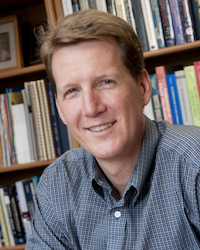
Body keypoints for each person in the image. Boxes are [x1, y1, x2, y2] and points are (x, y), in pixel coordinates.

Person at [25, 9, 200, 249]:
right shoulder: (58, 184)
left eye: (105, 82)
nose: (90, 108)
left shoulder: (195, 164)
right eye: (72, 91)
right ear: (60, 109)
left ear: (142, 86)